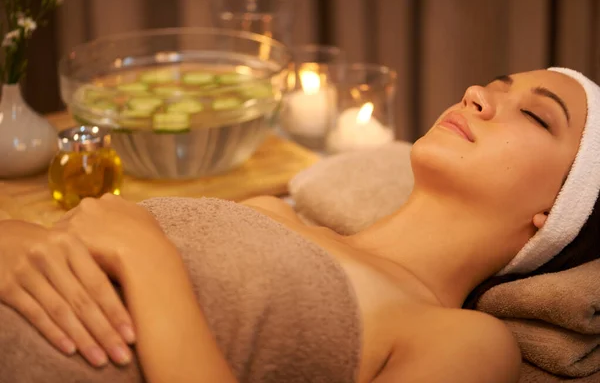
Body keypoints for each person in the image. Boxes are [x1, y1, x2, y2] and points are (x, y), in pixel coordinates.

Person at [1, 67, 599, 383]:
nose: (475, 94)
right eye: (493, 85)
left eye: (538, 116)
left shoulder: (462, 341)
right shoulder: (269, 209)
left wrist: (146, 259)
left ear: (556, 215)